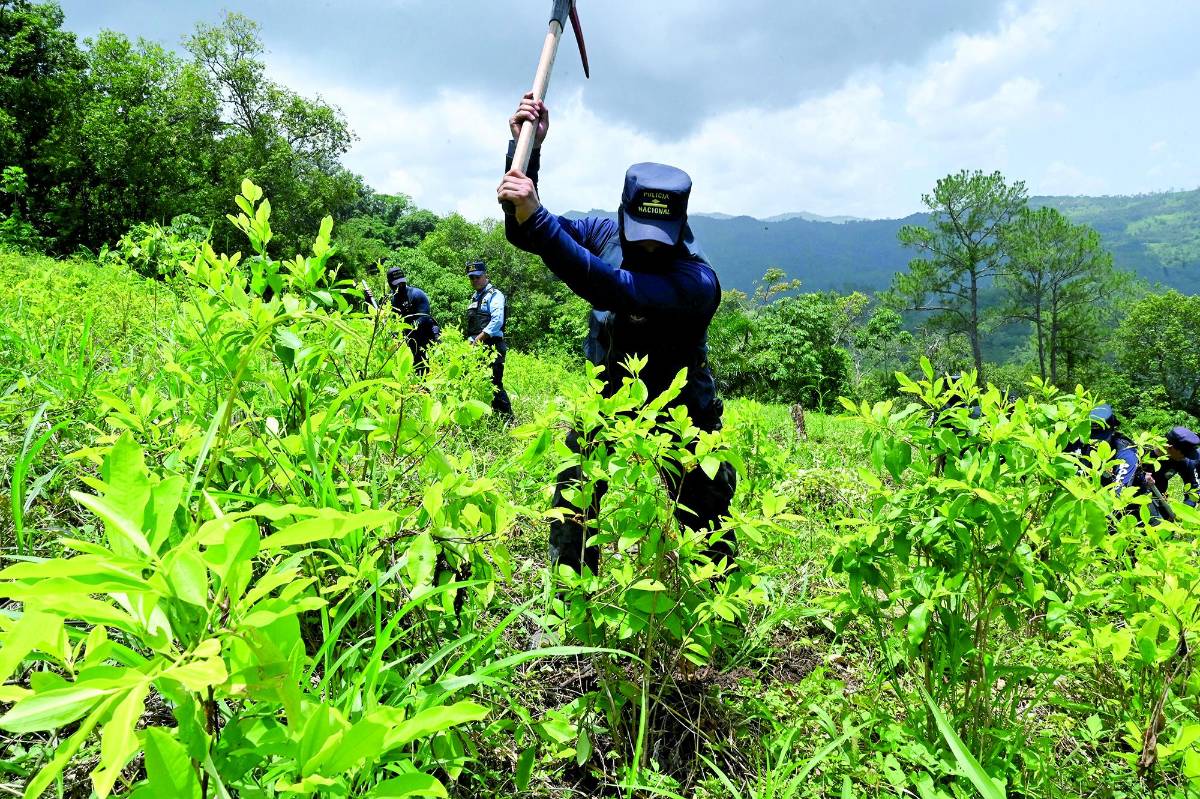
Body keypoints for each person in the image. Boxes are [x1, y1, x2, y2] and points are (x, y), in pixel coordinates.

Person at [497, 93, 736, 576]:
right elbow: (525, 233)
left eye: (661, 234)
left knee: (706, 507)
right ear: (622, 213)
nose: (649, 242)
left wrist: (538, 216)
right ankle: (571, 595)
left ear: (682, 224)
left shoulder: (697, 281)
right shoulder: (604, 233)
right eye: (640, 228)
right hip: (607, 395)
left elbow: (610, 286)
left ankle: (716, 600)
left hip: (681, 408)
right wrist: (525, 151)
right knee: (575, 494)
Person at [464, 260, 513, 417]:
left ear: (486, 276)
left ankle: (507, 417)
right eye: (472, 278)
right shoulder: (474, 297)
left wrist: (478, 339)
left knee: (494, 383)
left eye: (478, 277)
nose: (475, 280)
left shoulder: (495, 295)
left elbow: (497, 321)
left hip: (492, 346)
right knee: (480, 382)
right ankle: (489, 416)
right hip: (476, 346)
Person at [386, 268, 440, 373]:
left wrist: (407, 329)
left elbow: (424, 316)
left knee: (430, 367)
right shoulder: (390, 299)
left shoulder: (416, 294)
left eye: (402, 282)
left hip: (426, 337)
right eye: (397, 284)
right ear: (390, 284)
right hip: (409, 341)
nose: (400, 286)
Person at [1146, 426, 1200, 508]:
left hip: (1159, 497)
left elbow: (1194, 491)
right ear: (1170, 448)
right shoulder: (1142, 454)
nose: (1186, 457)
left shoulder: (1183, 461)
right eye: (1184, 453)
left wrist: (1183, 513)